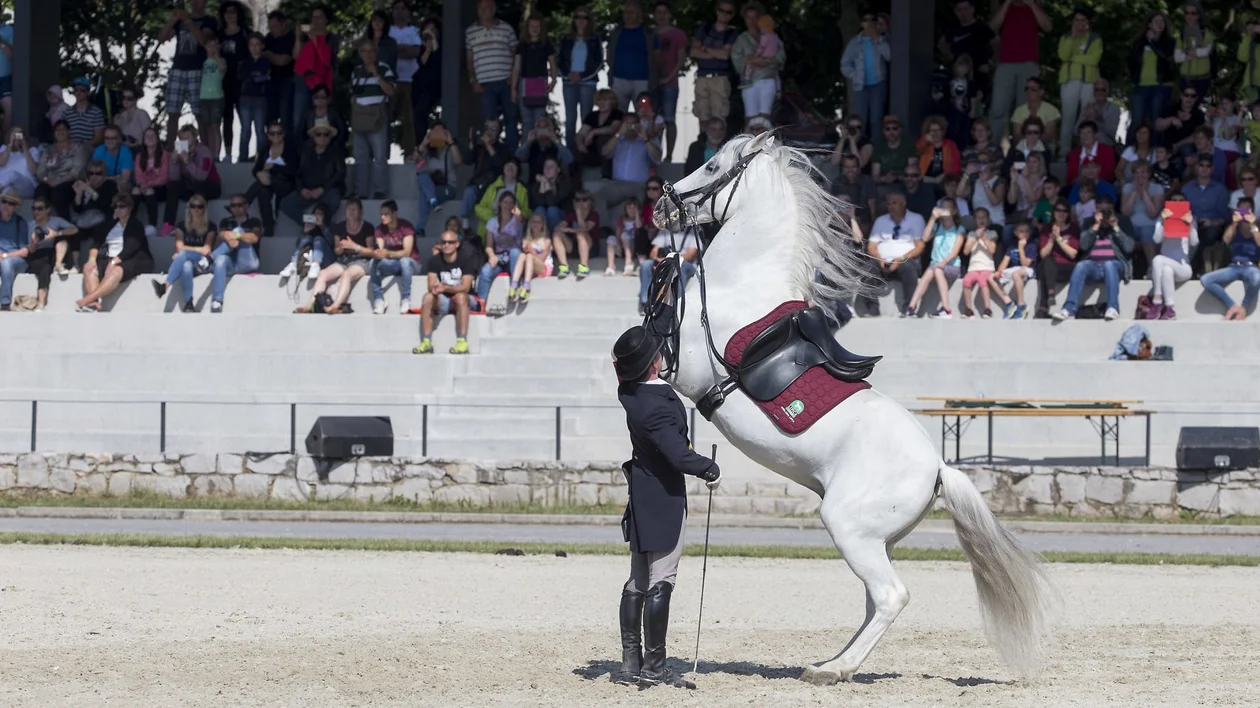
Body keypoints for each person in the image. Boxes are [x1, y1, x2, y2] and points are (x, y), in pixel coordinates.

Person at [611, 318, 719, 689]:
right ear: (654, 363)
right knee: (661, 581)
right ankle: (654, 668)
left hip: (641, 491)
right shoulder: (657, 404)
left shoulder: (630, 392)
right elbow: (677, 454)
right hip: (663, 495)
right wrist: (708, 468)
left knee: (638, 580)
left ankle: (631, 664)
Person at [1052, 198, 1136, 321]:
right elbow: (1083, 246)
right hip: (1095, 267)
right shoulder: (1089, 222)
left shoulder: (1123, 221)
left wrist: (1116, 227)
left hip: (1116, 266)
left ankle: (1113, 308)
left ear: (1113, 209)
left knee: (1109, 264)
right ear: (1096, 210)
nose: (1105, 214)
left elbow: (1129, 248)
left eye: (1107, 210)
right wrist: (1095, 226)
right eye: (1101, 210)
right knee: (1081, 265)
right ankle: (1069, 309)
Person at [76, 194, 155, 312]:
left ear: (129, 208)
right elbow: (96, 243)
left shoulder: (135, 225)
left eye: (121, 206)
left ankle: (89, 298)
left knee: (116, 270)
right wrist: (91, 260)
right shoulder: (110, 225)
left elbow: (131, 247)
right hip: (109, 258)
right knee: (89, 268)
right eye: (115, 207)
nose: (117, 209)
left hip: (132, 259)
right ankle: (93, 303)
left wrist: (113, 262)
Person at [988, 0, 1052, 141]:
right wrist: (1007, 3)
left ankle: (1023, 148)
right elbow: (992, 27)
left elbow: (1048, 27)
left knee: (1026, 109)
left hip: (1028, 64)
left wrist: (1031, 4)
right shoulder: (1005, 7)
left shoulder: (1034, 6)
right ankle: (993, 146)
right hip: (1005, 64)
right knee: (998, 109)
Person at [157, 0, 218, 148]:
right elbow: (161, 38)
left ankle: (204, 151)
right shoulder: (180, 21)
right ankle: (171, 150)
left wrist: (188, 21)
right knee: (173, 112)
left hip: (197, 69)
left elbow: (203, 41)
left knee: (199, 113)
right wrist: (173, 19)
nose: (196, 3)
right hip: (178, 68)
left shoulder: (209, 21)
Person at [466, 0, 520, 152]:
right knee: (490, 122)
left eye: (487, 7)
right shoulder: (470, 32)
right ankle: (491, 154)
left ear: (494, 9)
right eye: (480, 7)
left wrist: (513, 77)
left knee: (511, 119)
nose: (484, 10)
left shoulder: (506, 28)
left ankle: (512, 156)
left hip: (506, 81)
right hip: (484, 83)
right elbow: (469, 59)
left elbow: (516, 54)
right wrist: (473, 80)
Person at [861, 192, 925, 317]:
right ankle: (872, 309)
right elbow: (871, 246)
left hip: (906, 260)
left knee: (909, 268)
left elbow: (920, 247)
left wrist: (899, 259)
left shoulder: (916, 219)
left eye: (894, 203)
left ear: (903, 204)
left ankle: (908, 308)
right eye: (889, 203)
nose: (891, 206)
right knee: (867, 269)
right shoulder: (881, 220)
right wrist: (880, 259)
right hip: (883, 261)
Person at [151, 195, 217, 311]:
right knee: (186, 265)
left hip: (203, 262)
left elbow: (207, 250)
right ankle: (189, 303)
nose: (196, 209)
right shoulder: (182, 226)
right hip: (189, 260)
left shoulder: (210, 226)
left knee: (183, 255)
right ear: (189, 208)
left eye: (199, 206)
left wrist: (186, 251)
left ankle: (165, 286)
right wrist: (196, 249)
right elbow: (179, 247)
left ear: (204, 209)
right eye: (193, 206)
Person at [350, 38, 397, 200]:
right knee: (360, 157)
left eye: (371, 51)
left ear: (376, 53)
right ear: (360, 54)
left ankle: (380, 191)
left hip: (377, 117)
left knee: (380, 156)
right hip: (359, 118)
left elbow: (391, 91)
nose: (368, 55)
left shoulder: (385, 69)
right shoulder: (356, 71)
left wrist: (377, 74)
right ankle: (361, 192)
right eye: (365, 51)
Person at [414, 230, 474, 355]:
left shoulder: (466, 259)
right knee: (427, 297)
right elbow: (430, 285)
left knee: (460, 297)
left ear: (457, 244)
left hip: (464, 298)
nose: (446, 245)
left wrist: (446, 288)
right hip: (444, 299)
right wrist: (435, 289)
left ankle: (462, 341)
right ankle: (427, 341)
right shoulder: (434, 260)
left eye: (450, 242)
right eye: (444, 242)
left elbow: (465, 287)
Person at [1202, 196, 1260, 320]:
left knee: (1257, 278)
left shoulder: (1257, 227)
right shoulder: (1234, 227)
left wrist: (1252, 224)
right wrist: (1234, 223)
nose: (1244, 212)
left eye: (1247, 209)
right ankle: (1232, 306)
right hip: (1234, 267)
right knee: (1206, 279)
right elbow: (1226, 240)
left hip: (1251, 267)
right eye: (1241, 209)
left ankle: (1244, 308)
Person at [280, 118, 345, 227]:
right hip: (308, 190)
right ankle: (311, 223)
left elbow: (340, 174)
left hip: (327, 191)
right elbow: (298, 174)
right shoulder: (306, 152)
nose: (322, 137)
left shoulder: (337, 152)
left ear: (330, 137)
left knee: (333, 201)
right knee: (286, 204)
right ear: (314, 136)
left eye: (326, 134)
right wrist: (302, 189)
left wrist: (322, 189)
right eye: (319, 134)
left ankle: (323, 226)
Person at [905, 201, 964, 318]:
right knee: (929, 272)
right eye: (942, 208)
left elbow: (955, 252)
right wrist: (932, 218)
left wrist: (943, 263)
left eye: (947, 208)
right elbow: (924, 238)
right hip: (935, 265)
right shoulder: (937, 227)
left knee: (936, 269)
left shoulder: (959, 228)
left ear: (954, 211)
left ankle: (946, 309)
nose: (944, 210)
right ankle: (911, 306)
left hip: (952, 266)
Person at [731, 2, 783, 129]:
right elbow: (736, 59)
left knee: (765, 118)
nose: (752, 21)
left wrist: (765, 61)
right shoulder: (742, 39)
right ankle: (749, 142)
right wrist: (750, 61)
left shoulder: (772, 36)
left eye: (755, 17)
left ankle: (766, 141)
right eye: (749, 17)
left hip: (767, 79)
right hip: (749, 83)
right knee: (750, 119)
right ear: (744, 19)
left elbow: (781, 57)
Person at [1056, 8, 1101, 152]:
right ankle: (1064, 152)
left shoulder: (1094, 38)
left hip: (1089, 82)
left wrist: (1074, 58)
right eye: (1076, 20)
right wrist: (1072, 38)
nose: (1079, 23)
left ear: (1089, 22)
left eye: (1083, 20)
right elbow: (1063, 55)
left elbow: (1094, 59)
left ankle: (1087, 150)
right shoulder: (1066, 37)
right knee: (1067, 118)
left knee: (1087, 117)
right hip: (1069, 81)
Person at [689, 1, 739, 133]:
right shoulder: (704, 29)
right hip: (702, 77)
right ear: (716, 11)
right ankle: (703, 144)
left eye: (728, 12)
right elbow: (693, 52)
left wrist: (705, 49)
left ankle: (720, 146)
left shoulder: (731, 33)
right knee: (702, 116)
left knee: (719, 118)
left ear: (733, 15)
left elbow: (725, 55)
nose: (724, 14)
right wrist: (716, 53)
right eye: (721, 10)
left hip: (720, 78)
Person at [1147, 193, 1198, 320]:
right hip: (1164, 267)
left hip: (1183, 267)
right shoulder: (1162, 219)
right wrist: (1163, 222)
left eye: (1181, 201)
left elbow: (1194, 242)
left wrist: (1190, 225)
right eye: (1174, 200)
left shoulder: (1190, 219)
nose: (1177, 203)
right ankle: (1170, 308)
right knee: (1166, 270)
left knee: (1157, 259)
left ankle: (1157, 300)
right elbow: (1157, 239)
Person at [162, 125, 222, 233]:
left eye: (187, 137)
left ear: (195, 137)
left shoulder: (204, 152)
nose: (184, 140)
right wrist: (174, 162)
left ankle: (199, 224)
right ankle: (168, 224)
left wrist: (188, 162)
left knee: (198, 184)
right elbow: (174, 178)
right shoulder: (179, 151)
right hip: (190, 186)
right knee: (173, 186)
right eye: (181, 138)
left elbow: (202, 177)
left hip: (210, 186)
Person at [23, 195, 79, 311]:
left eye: (40, 208)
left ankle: (58, 265)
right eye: (34, 208)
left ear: (47, 210)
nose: (36, 211)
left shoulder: (55, 221)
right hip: (38, 254)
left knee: (62, 238)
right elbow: (30, 250)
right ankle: (41, 302)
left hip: (55, 252)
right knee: (45, 267)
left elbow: (75, 229)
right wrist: (34, 242)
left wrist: (56, 234)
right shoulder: (29, 225)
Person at [559, 6, 603, 152]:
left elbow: (598, 62)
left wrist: (582, 76)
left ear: (589, 21)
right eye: (578, 17)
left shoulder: (595, 39)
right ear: (574, 20)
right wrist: (568, 74)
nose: (581, 20)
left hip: (588, 83)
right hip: (569, 82)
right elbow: (560, 61)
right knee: (570, 119)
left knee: (586, 119)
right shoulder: (566, 39)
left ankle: (585, 152)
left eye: (585, 17)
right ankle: (570, 154)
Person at [208, 196, 262, 313]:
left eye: (239, 205)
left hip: (248, 262)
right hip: (231, 262)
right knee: (220, 260)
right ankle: (217, 301)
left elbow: (254, 238)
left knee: (238, 230)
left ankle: (209, 259)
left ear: (246, 206)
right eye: (233, 206)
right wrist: (229, 237)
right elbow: (221, 235)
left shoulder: (254, 221)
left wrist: (237, 236)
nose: (236, 208)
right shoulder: (226, 221)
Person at [1128, 13, 1174, 145]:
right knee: (1137, 120)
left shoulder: (1169, 42)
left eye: (1162, 22)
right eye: (1156, 21)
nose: (1160, 24)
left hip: (1161, 86)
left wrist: (1153, 42)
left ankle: (1156, 151)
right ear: (1149, 24)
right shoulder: (1139, 42)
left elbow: (1166, 58)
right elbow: (1131, 61)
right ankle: (1130, 150)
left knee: (1156, 120)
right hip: (1141, 85)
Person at [841, 12, 890, 138]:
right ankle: (859, 147)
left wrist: (877, 40)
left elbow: (890, 57)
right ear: (861, 24)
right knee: (860, 119)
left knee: (876, 119)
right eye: (865, 20)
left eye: (872, 19)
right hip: (860, 86)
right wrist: (855, 74)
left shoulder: (882, 39)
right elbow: (845, 64)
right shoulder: (855, 42)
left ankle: (877, 148)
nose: (869, 23)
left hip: (878, 84)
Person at [246, 121, 298, 237]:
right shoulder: (265, 150)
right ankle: (268, 226)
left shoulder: (290, 149)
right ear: (268, 135)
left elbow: (293, 170)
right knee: (263, 192)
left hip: (286, 184)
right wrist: (260, 175)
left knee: (263, 183)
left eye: (279, 133)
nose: (276, 136)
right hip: (268, 183)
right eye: (272, 133)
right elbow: (256, 169)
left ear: (283, 134)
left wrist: (273, 167)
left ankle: (245, 202)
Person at [370, 200, 420, 314]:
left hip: (412, 263)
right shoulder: (380, 229)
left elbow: (407, 252)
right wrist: (378, 253)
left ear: (394, 213)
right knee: (373, 262)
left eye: (386, 214)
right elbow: (380, 249)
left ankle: (405, 299)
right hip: (394, 264)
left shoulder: (406, 227)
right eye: (381, 214)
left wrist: (388, 254)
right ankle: (379, 299)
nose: (382, 217)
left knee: (404, 261)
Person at [510, 13, 557, 136]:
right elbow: (516, 67)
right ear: (527, 27)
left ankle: (539, 146)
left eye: (537, 26)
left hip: (540, 82)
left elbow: (552, 64)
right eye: (532, 26)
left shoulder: (546, 44)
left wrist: (553, 81)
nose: (535, 29)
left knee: (540, 120)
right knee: (526, 121)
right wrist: (513, 88)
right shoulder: (521, 45)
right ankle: (527, 146)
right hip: (525, 82)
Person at [415, 121, 462, 236]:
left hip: (448, 188)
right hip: (432, 186)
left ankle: (421, 226)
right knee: (422, 176)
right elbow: (413, 159)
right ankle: (433, 201)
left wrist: (450, 141)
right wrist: (424, 143)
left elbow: (458, 161)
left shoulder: (450, 149)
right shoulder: (428, 151)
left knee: (424, 194)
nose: (438, 134)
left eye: (441, 131)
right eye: (435, 131)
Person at [1034, 199, 1080, 317]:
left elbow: (1073, 254)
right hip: (1050, 267)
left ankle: (1043, 307)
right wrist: (1051, 239)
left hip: (1067, 267)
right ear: (1054, 212)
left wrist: (1059, 239)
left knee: (1045, 268)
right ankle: (1050, 293)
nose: (1061, 213)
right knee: (1046, 262)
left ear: (1068, 213)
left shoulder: (1074, 229)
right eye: (1058, 210)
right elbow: (1043, 254)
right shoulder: (1046, 229)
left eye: (1064, 211)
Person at [477, 191, 524, 300]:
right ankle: (481, 302)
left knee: (515, 252)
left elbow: (522, 219)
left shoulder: (517, 220)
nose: (508, 205)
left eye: (511, 203)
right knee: (485, 271)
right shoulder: (492, 222)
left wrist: (518, 214)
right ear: (500, 203)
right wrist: (491, 256)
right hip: (499, 257)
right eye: (505, 202)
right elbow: (489, 245)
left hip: (514, 258)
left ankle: (514, 288)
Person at [279, 201, 335, 283]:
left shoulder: (331, 225)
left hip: (327, 258)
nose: (316, 216)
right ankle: (293, 263)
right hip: (308, 257)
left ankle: (315, 264)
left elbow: (333, 241)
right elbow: (298, 244)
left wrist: (322, 226)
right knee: (307, 238)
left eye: (320, 214)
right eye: (315, 213)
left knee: (318, 239)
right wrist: (305, 232)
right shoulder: (311, 225)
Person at [553, 189, 598, 279]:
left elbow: (584, 229)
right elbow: (558, 227)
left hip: (590, 247)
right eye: (578, 200)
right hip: (574, 246)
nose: (581, 202)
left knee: (580, 234)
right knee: (556, 234)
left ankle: (584, 267)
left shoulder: (594, 215)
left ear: (590, 202)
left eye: (584, 200)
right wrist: (567, 229)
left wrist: (578, 214)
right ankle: (564, 267)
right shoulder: (571, 215)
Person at [132, 128, 170, 228]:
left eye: (153, 136)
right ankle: (129, 223)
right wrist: (142, 184)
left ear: (157, 139)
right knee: (135, 190)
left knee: (149, 191)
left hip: (160, 188)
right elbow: (138, 176)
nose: (150, 138)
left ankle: (152, 225)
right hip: (144, 187)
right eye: (147, 136)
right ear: (143, 140)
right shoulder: (139, 156)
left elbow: (164, 177)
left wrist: (148, 184)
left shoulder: (164, 155)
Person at [510, 212, 552, 303]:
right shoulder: (526, 239)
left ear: (543, 225)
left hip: (543, 267)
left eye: (538, 222)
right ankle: (514, 285)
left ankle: (526, 287)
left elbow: (542, 260)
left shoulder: (546, 241)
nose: (536, 224)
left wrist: (532, 251)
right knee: (522, 255)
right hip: (530, 267)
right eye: (533, 222)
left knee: (529, 256)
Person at [0, 187, 29, 310]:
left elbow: (25, 251)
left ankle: (5, 302)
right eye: (4, 201)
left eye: (10, 203)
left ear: (15, 207)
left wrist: (5, 256)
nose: (6, 205)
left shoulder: (20, 223)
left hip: (15, 259)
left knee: (6, 263)